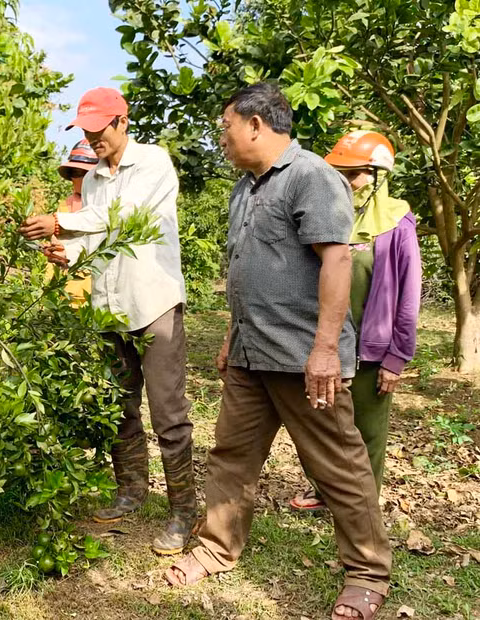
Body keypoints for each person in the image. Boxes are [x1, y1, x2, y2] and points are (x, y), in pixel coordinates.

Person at [164, 84, 391, 620]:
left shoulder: (312, 176)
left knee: (338, 466)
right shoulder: (244, 188)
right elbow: (246, 270)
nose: (221, 137)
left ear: (256, 125)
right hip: (249, 353)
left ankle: (366, 571)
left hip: (302, 358)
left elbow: (336, 262)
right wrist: (229, 337)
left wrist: (324, 352)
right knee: (232, 457)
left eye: (225, 126)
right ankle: (217, 547)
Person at [19, 87, 195, 555]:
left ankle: (182, 511)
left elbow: (125, 217)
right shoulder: (94, 178)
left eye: (99, 127)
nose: (92, 136)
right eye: (86, 129)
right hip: (109, 307)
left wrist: (59, 222)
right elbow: (99, 238)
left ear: (122, 121)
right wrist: (68, 252)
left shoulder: (153, 163)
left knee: (168, 413)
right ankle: (131, 490)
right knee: (119, 406)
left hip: (153, 302)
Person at [290, 131, 422, 512]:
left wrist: (397, 357)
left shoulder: (398, 223)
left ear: (377, 175)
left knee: (368, 432)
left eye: (354, 175)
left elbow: (408, 297)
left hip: (371, 351)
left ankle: (362, 505)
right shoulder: (328, 218)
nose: (345, 182)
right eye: (340, 174)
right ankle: (324, 490)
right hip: (327, 343)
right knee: (323, 425)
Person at [53, 139, 98, 305]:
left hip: (94, 296)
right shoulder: (65, 205)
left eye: (82, 173)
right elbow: (57, 241)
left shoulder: (107, 205)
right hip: (64, 294)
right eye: (74, 173)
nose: (76, 179)